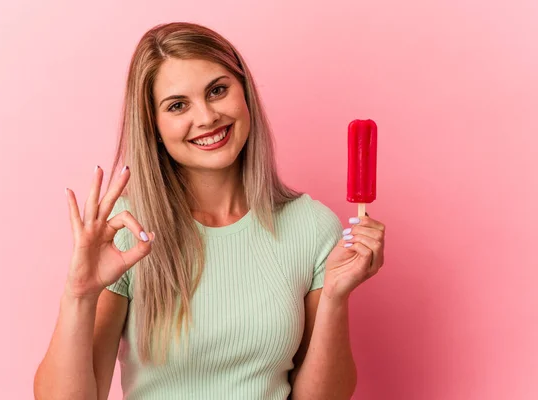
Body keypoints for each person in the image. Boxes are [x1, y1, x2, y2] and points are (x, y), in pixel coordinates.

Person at [33, 21, 386, 400]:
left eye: (217, 91)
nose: (206, 117)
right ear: (154, 124)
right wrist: (80, 294)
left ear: (245, 93)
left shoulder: (312, 226)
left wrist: (334, 298)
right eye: (178, 105)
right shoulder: (126, 230)